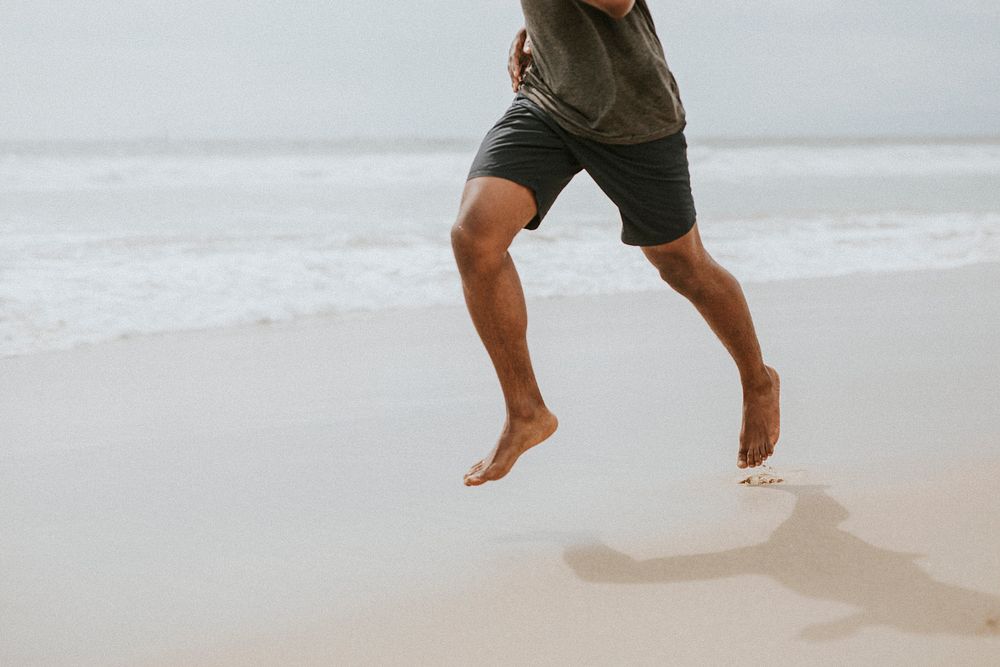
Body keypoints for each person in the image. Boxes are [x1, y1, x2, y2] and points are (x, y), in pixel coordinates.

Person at [452, 0, 780, 487]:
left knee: (682, 266)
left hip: (633, 114)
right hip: (549, 101)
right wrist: (543, 29)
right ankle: (526, 411)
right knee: (475, 236)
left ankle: (757, 379)